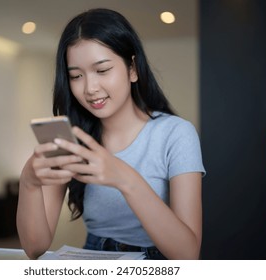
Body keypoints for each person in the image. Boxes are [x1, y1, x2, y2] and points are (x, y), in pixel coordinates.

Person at [16, 8, 205, 260]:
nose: (90, 88)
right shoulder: (72, 139)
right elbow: (34, 247)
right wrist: (28, 182)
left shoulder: (176, 134)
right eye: (76, 76)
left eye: (102, 70)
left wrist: (124, 178)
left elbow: (188, 254)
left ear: (133, 69)